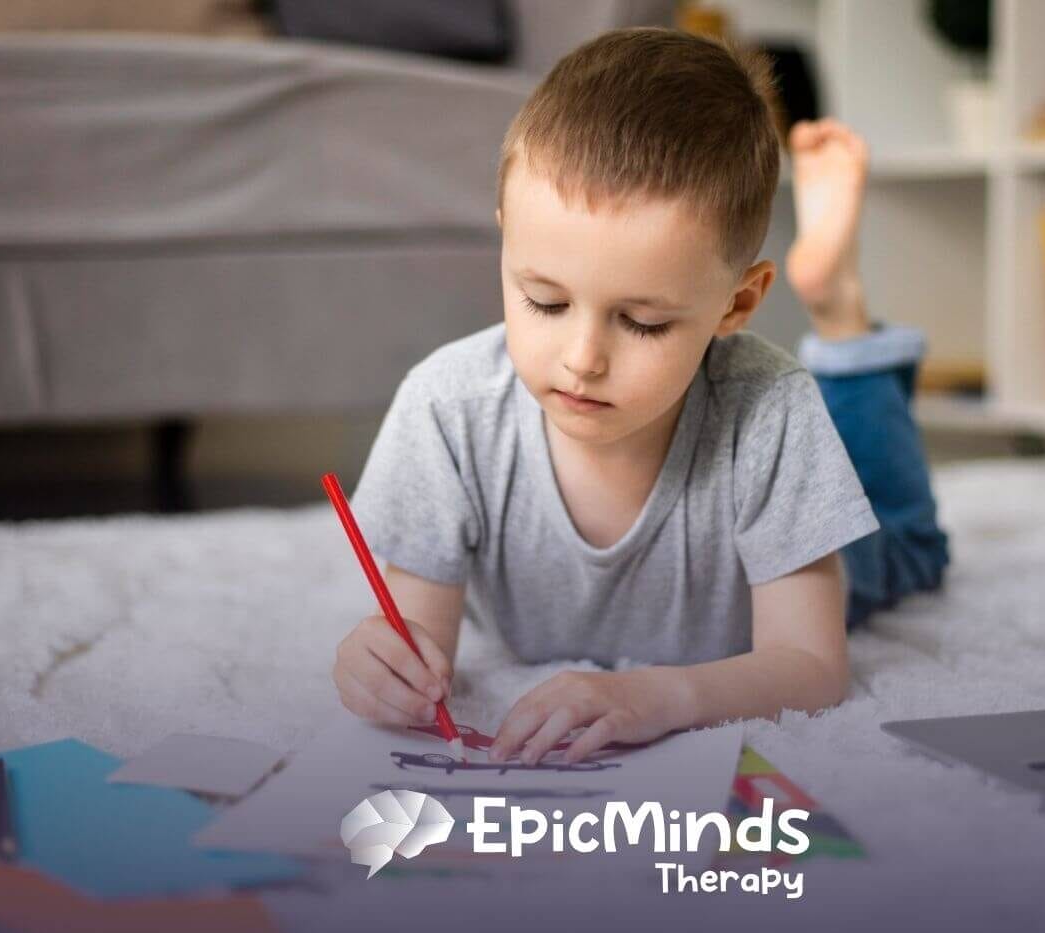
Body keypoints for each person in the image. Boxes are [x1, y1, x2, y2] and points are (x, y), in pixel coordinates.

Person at [332, 27, 948, 765]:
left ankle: (841, 312)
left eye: (642, 321)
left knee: (907, 544)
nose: (583, 359)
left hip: (813, 536)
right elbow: (416, 639)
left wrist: (655, 699)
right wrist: (382, 667)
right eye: (544, 301)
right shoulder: (447, 410)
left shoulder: (771, 412)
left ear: (736, 304)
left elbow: (814, 669)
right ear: (507, 242)